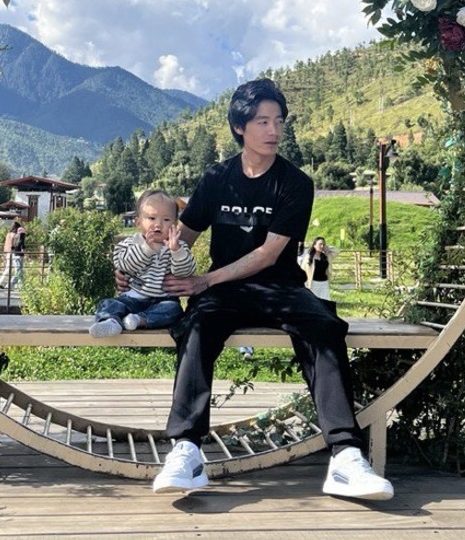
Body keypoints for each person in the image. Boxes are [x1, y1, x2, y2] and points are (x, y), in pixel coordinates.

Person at [147, 77, 393, 502]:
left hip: (279, 286)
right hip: (224, 291)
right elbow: (180, 238)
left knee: (323, 327)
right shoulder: (216, 178)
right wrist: (144, 267)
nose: (273, 130)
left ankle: (346, 456)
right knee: (197, 326)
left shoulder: (295, 182)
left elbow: (268, 253)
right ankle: (186, 450)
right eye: (263, 121)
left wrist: (205, 279)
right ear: (239, 127)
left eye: (278, 121)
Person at [89, 189, 198, 337]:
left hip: (162, 300)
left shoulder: (178, 247)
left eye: (166, 220)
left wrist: (176, 251)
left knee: (174, 310)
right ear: (138, 222)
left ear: (175, 224)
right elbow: (124, 265)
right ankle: (111, 322)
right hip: (131, 298)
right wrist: (146, 250)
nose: (158, 224)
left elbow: (185, 272)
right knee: (109, 304)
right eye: (152, 218)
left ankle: (139, 320)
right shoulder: (131, 243)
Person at [0, 219, 26, 288]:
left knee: (8, 269)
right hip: (14, 253)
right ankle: (15, 285)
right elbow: (16, 244)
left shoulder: (8, 234)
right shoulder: (15, 235)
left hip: (7, 253)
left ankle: (2, 282)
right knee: (17, 269)